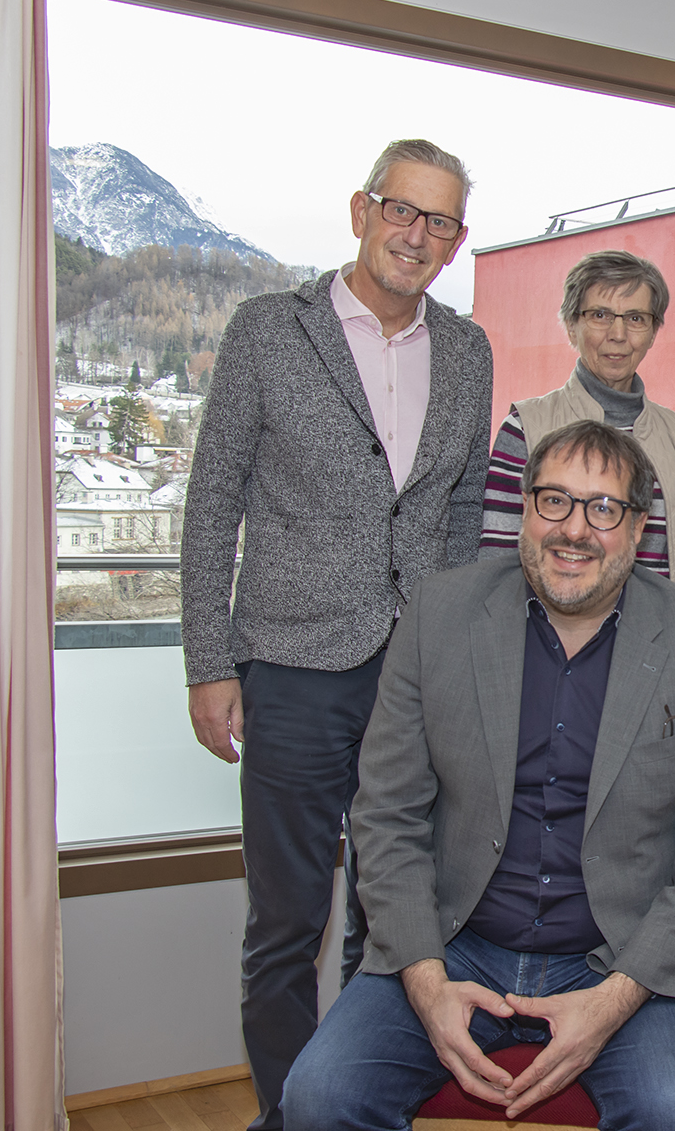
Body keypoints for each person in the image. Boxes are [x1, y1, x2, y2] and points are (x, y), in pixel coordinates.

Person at [281, 420, 675, 1131]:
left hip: (621, 957)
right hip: (450, 942)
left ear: (637, 530)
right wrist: (425, 981)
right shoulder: (438, 615)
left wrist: (614, 1001)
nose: (574, 530)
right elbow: (385, 815)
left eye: (603, 508)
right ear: (524, 511)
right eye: (555, 501)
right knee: (319, 1097)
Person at [180, 139, 493, 1129]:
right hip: (292, 664)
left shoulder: (468, 349)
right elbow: (210, 502)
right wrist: (208, 661)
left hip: (413, 675)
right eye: (402, 209)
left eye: (439, 220)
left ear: (456, 241)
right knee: (285, 921)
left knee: (390, 915)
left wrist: (452, 658)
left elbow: (455, 514)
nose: (416, 233)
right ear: (361, 210)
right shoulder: (271, 331)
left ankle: (355, 1105)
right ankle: (287, 1114)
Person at [479, 250, 675, 590]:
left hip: (656, 638)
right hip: (550, 636)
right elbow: (496, 570)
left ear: (653, 332)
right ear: (572, 326)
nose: (618, 334)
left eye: (636, 318)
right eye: (600, 315)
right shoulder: (525, 428)